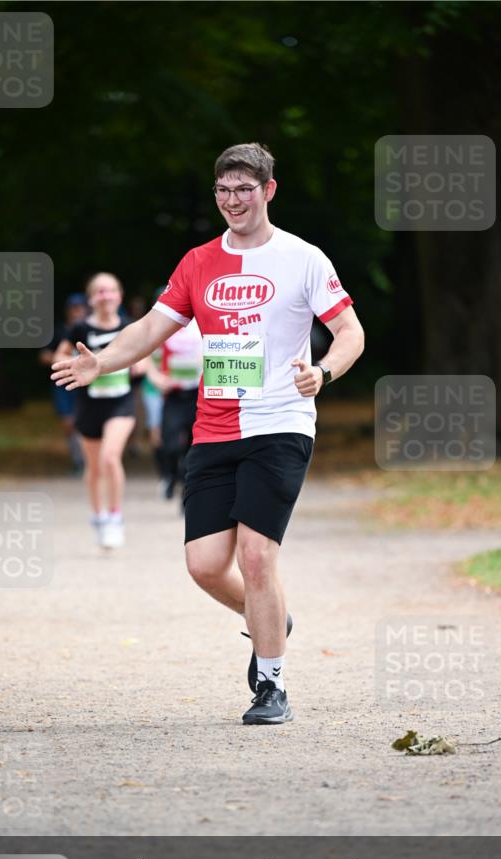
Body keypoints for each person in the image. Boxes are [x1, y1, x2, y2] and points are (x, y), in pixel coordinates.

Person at [52, 143, 364, 723]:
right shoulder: (198, 261)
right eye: (223, 191)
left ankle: (270, 686)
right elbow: (150, 327)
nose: (232, 200)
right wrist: (101, 360)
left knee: (255, 555)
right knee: (202, 564)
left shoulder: (304, 259)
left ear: (268, 191)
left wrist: (322, 371)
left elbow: (350, 332)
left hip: (280, 423)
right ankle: (270, 618)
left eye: (244, 189)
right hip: (215, 428)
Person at [54, 272, 146, 549]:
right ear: (92, 298)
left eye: (111, 291)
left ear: (119, 296)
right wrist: (73, 363)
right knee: (94, 468)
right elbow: (60, 354)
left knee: (109, 457)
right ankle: (98, 516)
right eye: (100, 291)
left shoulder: (130, 327)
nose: (106, 296)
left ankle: (115, 519)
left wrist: (141, 367)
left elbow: (144, 356)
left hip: (121, 403)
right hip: (89, 405)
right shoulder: (80, 329)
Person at [147, 318, 203, 500]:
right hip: (173, 396)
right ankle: (170, 475)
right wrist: (155, 377)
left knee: (192, 448)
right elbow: (147, 354)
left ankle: (186, 493)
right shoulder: (166, 322)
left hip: (197, 394)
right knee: (169, 446)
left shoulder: (202, 321)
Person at [39, 292, 88, 472]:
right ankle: (77, 459)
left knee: (85, 422)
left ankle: (86, 460)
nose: (77, 312)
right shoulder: (58, 331)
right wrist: (63, 359)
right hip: (63, 384)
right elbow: (43, 356)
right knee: (69, 423)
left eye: (80, 307)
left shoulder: (90, 329)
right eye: (73, 308)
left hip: (86, 384)